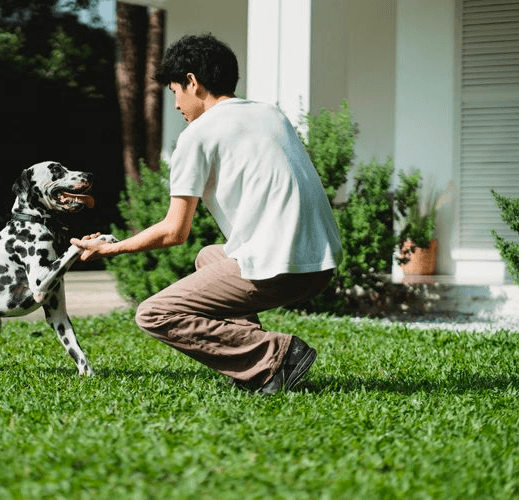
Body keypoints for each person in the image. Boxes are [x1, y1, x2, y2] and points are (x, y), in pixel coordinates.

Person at [72, 34, 342, 394]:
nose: (176, 104)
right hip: (320, 263)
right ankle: (264, 369)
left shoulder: (197, 135)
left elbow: (174, 231)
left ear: (193, 82)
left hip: (282, 269)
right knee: (209, 256)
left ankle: (276, 355)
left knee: (153, 314)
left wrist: (113, 248)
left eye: (174, 92)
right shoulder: (270, 114)